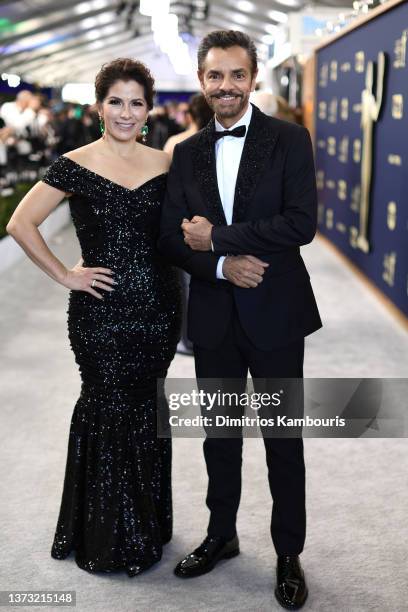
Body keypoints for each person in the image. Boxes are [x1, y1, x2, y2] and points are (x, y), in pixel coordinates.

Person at [159, 30, 322, 609]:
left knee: (284, 440)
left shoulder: (288, 139)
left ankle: (287, 551)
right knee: (219, 437)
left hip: (277, 313)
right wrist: (224, 265)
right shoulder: (185, 151)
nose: (225, 86)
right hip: (214, 315)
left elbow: (301, 223)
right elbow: (173, 240)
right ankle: (221, 535)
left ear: (252, 78)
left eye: (235, 74)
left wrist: (219, 239)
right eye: (214, 76)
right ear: (202, 82)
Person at [6, 58, 181, 577]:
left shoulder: (168, 164)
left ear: (148, 110)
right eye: (116, 101)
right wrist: (65, 275)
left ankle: (147, 525)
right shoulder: (73, 162)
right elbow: (21, 223)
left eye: (136, 103)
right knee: (104, 407)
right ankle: (103, 534)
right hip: (99, 315)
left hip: (158, 310)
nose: (126, 113)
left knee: (147, 407)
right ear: (99, 105)